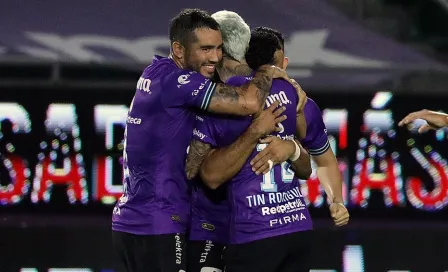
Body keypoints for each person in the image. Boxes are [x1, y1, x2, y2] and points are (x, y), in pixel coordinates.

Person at [111, 8, 291, 272]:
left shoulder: (155, 72)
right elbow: (250, 101)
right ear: (179, 49)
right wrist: (266, 70)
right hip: (158, 223)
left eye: (219, 49)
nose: (215, 58)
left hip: (132, 221)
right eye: (206, 49)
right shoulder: (179, 81)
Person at [185, 11, 309, 272]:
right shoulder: (286, 87)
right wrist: (295, 148)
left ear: (219, 52)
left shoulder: (216, 101)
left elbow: (208, 175)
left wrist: (286, 146)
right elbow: (307, 163)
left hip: (247, 230)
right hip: (295, 226)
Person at [249, 27, 349, 223]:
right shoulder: (302, 103)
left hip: (248, 224)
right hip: (291, 222)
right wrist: (337, 201)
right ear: (283, 64)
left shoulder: (229, 100)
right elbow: (325, 161)